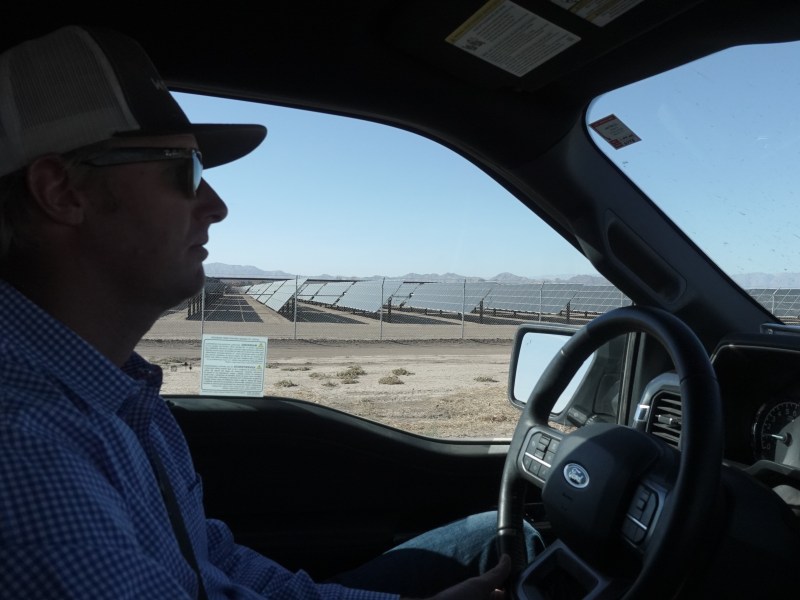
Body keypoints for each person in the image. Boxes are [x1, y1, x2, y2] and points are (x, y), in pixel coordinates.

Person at [0, 26, 541, 599]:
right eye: (185, 171)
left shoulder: (120, 393)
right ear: (61, 191)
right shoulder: (25, 451)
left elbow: (211, 559)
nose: (217, 206)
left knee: (500, 534)